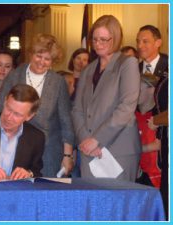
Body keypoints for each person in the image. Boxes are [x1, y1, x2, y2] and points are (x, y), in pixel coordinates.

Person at [0, 33, 74, 177]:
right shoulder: (14, 76)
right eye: (38, 55)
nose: (41, 62)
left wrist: (67, 157)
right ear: (31, 53)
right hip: (15, 151)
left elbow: (66, 123)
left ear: (53, 61)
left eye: (47, 58)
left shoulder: (58, 83)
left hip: (48, 154)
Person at [71, 15, 141, 182]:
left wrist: (97, 139)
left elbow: (127, 106)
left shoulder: (127, 63)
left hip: (119, 151)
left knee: (119, 206)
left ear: (115, 39)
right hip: (88, 151)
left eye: (103, 39)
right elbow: (77, 109)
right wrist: (86, 140)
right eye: (94, 39)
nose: (97, 44)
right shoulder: (88, 69)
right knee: (94, 205)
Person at [137, 24, 168, 218]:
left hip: (162, 136)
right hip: (139, 134)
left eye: (145, 41)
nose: (140, 45)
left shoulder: (168, 66)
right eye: (138, 41)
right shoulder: (131, 67)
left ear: (158, 42)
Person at [135, 80, 161, 188]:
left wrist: (134, 150)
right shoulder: (129, 114)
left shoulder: (161, 116)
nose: (135, 93)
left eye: (139, 89)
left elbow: (159, 144)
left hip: (155, 177)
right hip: (134, 173)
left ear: (152, 90)